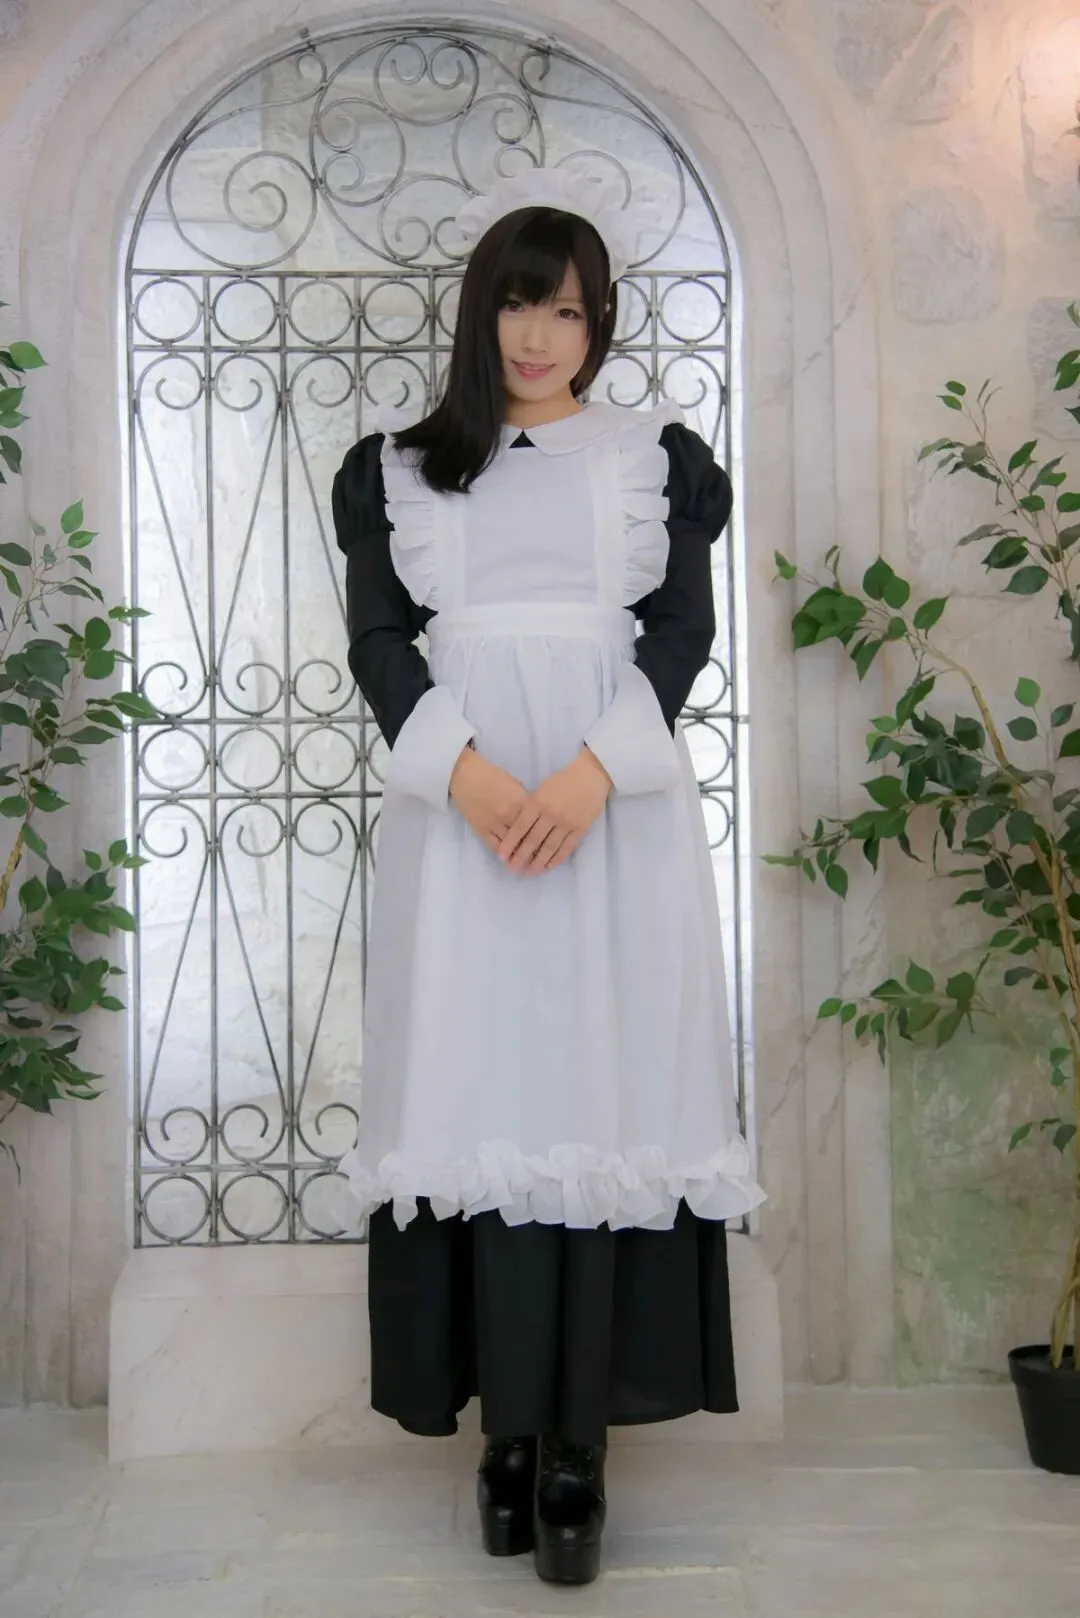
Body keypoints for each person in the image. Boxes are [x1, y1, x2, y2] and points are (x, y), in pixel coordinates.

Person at [331, 165, 766, 1587]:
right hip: (460, 822)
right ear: (481, 312)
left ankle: (579, 1442)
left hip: (610, 813)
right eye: (519, 303)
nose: (538, 334)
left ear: (599, 324)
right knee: (474, 1081)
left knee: (604, 1080)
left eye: (568, 311)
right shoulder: (394, 469)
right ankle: (501, 1435)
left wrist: (589, 776)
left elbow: (682, 632)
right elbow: (380, 641)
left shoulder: (656, 460)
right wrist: (465, 778)